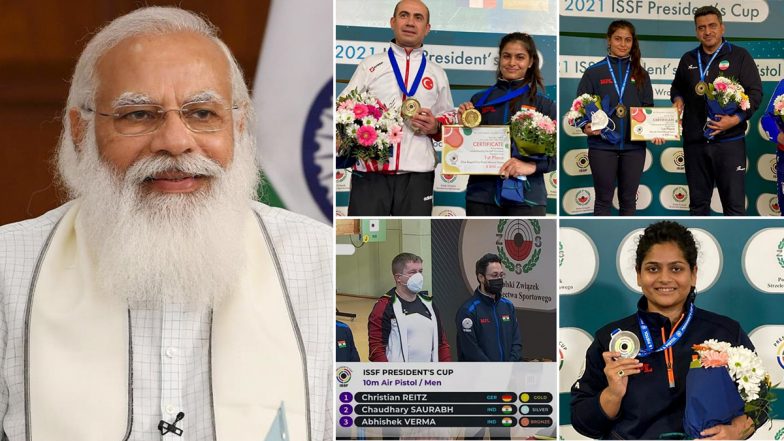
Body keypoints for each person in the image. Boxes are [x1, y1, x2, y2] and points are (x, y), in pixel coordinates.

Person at [0, 7, 332, 440]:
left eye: (202, 113)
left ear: (240, 125)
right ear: (80, 131)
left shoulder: (320, 264)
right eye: (138, 115)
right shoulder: (9, 268)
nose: (176, 142)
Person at [571, 221, 761, 439]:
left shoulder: (726, 332)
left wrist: (737, 430)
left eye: (676, 268)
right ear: (639, 274)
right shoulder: (611, 339)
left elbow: (759, 400)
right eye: (653, 268)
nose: (664, 278)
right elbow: (582, 421)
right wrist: (613, 394)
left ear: (693, 274)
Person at [340, 0, 454, 216]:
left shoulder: (437, 73)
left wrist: (435, 126)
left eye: (418, 17)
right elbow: (344, 108)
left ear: (427, 28)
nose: (410, 22)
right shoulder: (370, 65)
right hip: (371, 171)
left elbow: (447, 118)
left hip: (418, 175)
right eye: (404, 15)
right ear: (393, 22)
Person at [670, 6, 762, 216]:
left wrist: (736, 119)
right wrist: (677, 99)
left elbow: (755, 94)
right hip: (695, 143)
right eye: (701, 28)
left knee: (734, 206)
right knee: (698, 207)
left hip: (729, 142)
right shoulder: (688, 59)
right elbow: (677, 88)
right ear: (696, 32)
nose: (707, 31)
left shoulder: (740, 56)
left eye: (712, 26)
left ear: (722, 27)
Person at [456, 32, 556, 216]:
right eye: (506, 56)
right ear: (499, 59)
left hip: (528, 197)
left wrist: (531, 167)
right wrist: (462, 127)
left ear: (531, 62)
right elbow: (465, 149)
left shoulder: (544, 104)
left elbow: (555, 155)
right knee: (479, 246)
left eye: (520, 57)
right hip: (482, 196)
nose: (512, 63)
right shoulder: (479, 100)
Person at [575, 20, 663, 216]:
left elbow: (648, 109)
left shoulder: (641, 74)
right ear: (609, 40)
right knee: (603, 201)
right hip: (602, 147)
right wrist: (585, 127)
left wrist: (655, 131)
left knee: (629, 202)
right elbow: (579, 107)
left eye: (628, 40)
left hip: (634, 148)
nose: (623, 44)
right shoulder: (594, 72)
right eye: (618, 39)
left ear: (633, 43)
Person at [368, 253, 451, 362]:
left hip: (430, 376)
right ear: (398, 278)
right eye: (412, 272)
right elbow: (376, 348)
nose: (419, 276)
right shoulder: (384, 306)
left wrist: (447, 370)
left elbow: (442, 343)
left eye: (420, 271)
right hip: (398, 377)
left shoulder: (429, 303)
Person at [455, 253, 522, 362]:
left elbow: (516, 341)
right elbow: (471, 350)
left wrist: (510, 367)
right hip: (479, 376)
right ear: (481, 277)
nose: (499, 279)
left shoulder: (508, 306)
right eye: (494, 275)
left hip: (507, 374)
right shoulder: (468, 310)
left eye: (501, 275)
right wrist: (492, 371)